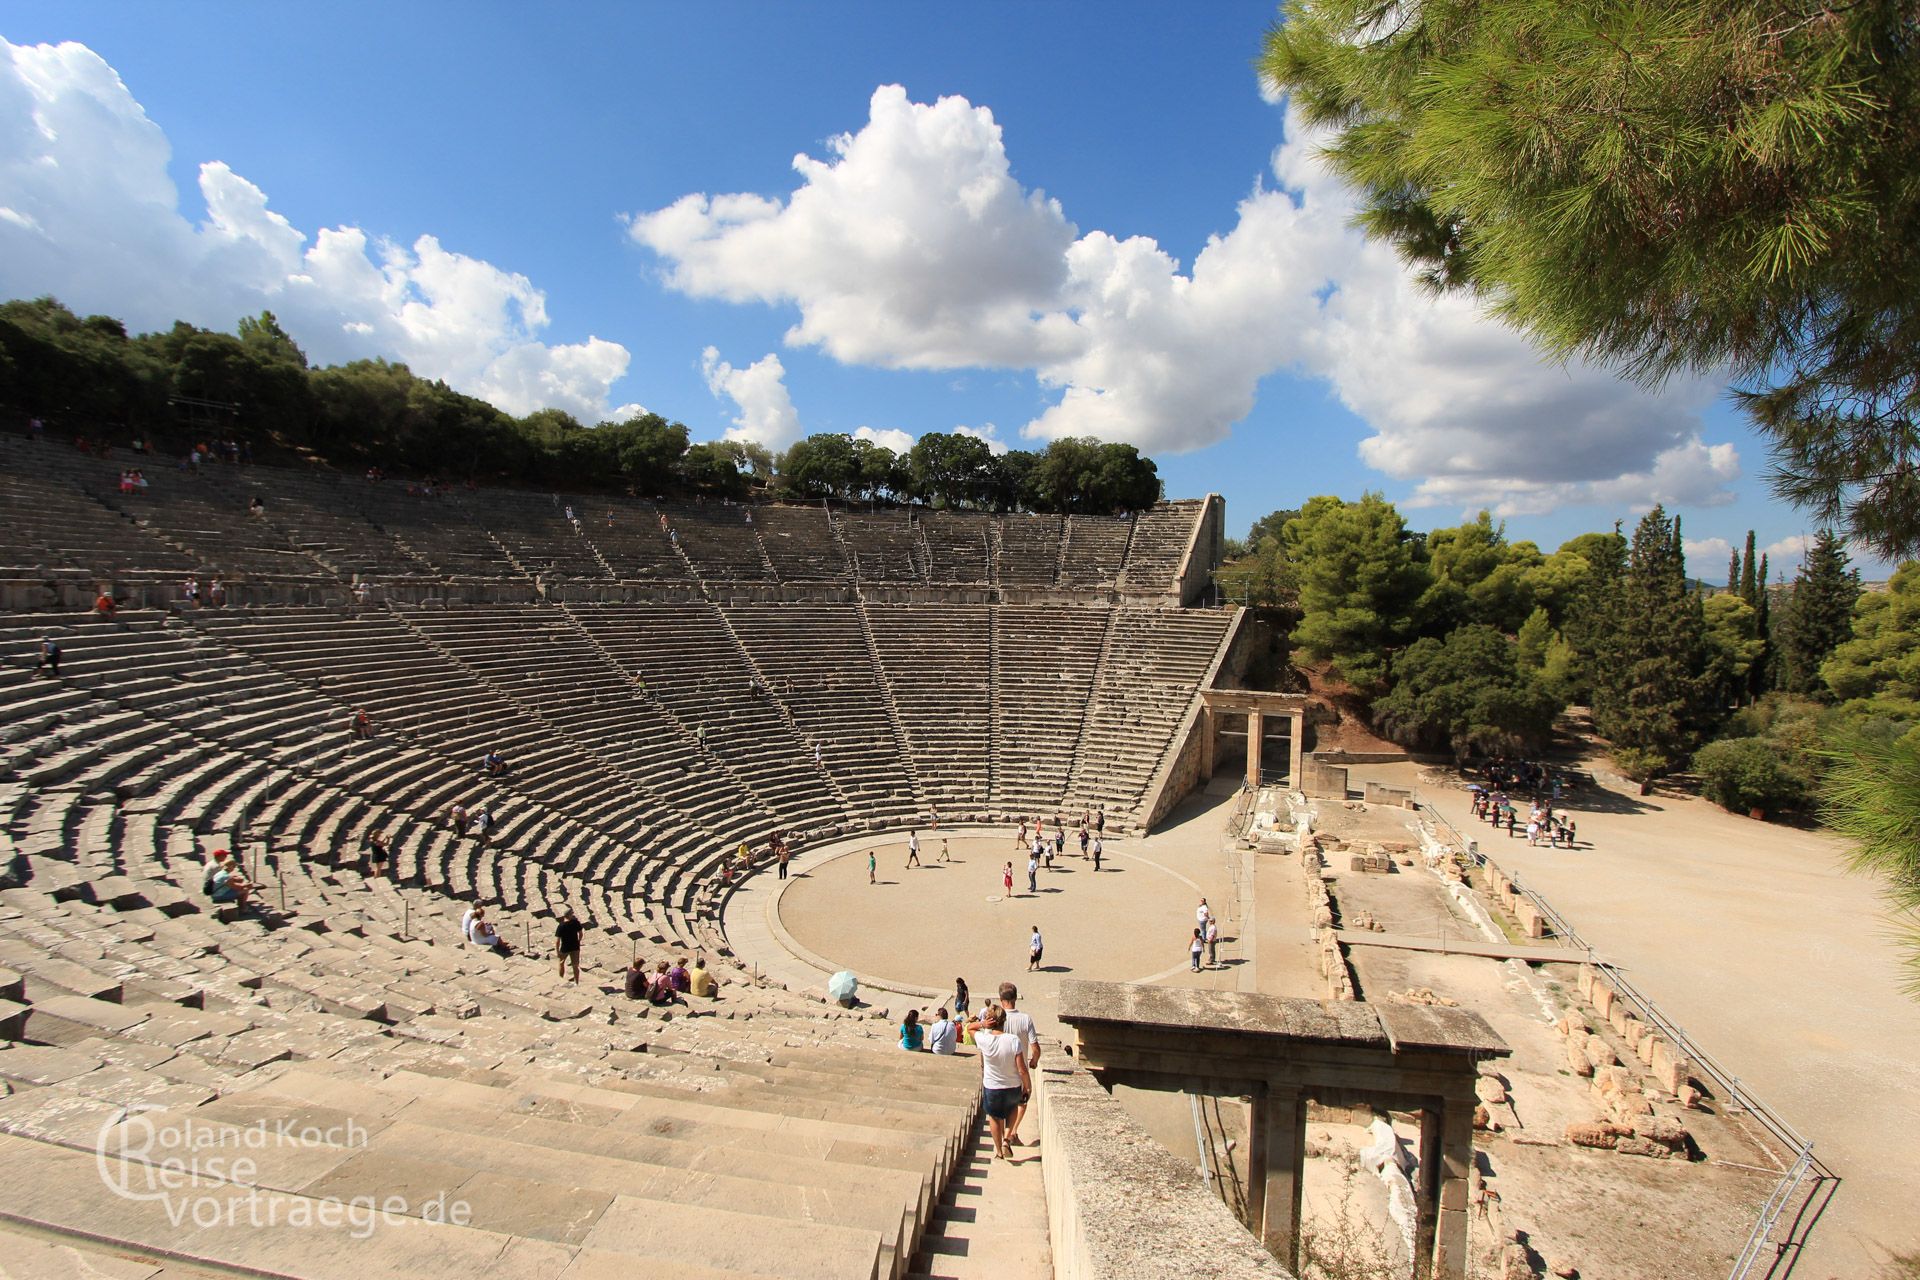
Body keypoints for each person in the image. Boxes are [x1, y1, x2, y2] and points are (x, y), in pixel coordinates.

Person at [973, 1004, 1030, 1161]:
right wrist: (1028, 1086)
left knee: (994, 1117)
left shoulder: (984, 1039)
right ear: (1004, 1021)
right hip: (1012, 1084)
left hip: (992, 1085)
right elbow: (1022, 1069)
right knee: (1013, 1109)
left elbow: (970, 1028)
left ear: (990, 1020)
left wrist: (982, 1024)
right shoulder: (1013, 1040)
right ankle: (1007, 1138)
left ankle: (998, 1151)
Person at [992, 982, 1040, 1145]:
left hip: (999, 1070)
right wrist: (1034, 1061)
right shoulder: (1025, 1019)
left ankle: (1003, 1140)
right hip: (1020, 1070)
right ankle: (1012, 1132)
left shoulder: (996, 1018)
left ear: (1000, 999)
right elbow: (1035, 1047)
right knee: (1022, 1100)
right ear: (1015, 998)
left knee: (1000, 1105)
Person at [555, 909, 582, 983]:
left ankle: (560, 979)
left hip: (565, 947)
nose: (573, 915)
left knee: (561, 963)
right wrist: (578, 941)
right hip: (575, 947)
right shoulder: (576, 923)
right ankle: (576, 982)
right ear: (569, 915)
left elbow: (557, 941)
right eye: (572, 914)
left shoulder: (561, 926)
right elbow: (580, 934)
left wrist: (557, 951)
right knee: (575, 966)